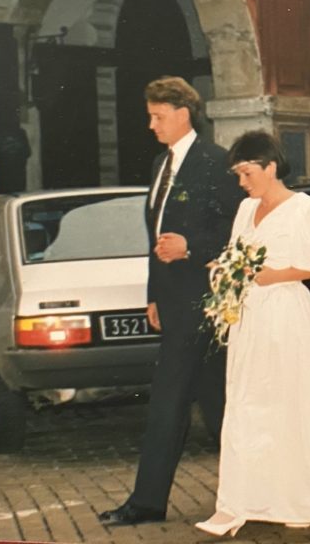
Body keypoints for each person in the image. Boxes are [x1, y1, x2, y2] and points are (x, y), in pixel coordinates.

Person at [196, 131, 310, 535]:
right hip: (251, 321)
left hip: (286, 315)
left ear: (271, 166)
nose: (242, 182)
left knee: (293, 404)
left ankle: (305, 498)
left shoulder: (305, 209)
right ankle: (247, 499)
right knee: (249, 405)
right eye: (237, 175)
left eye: (247, 173)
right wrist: (227, 271)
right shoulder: (245, 210)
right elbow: (236, 254)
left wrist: (274, 275)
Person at [100, 77, 244, 526]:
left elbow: (239, 234)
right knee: (204, 406)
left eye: (158, 115)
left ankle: (152, 502)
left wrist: (191, 248)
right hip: (175, 305)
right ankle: (245, 495)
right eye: (150, 115)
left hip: (207, 307)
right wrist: (153, 296)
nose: (151, 124)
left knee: (186, 403)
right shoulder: (160, 164)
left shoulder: (218, 164)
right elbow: (154, 238)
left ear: (184, 112)